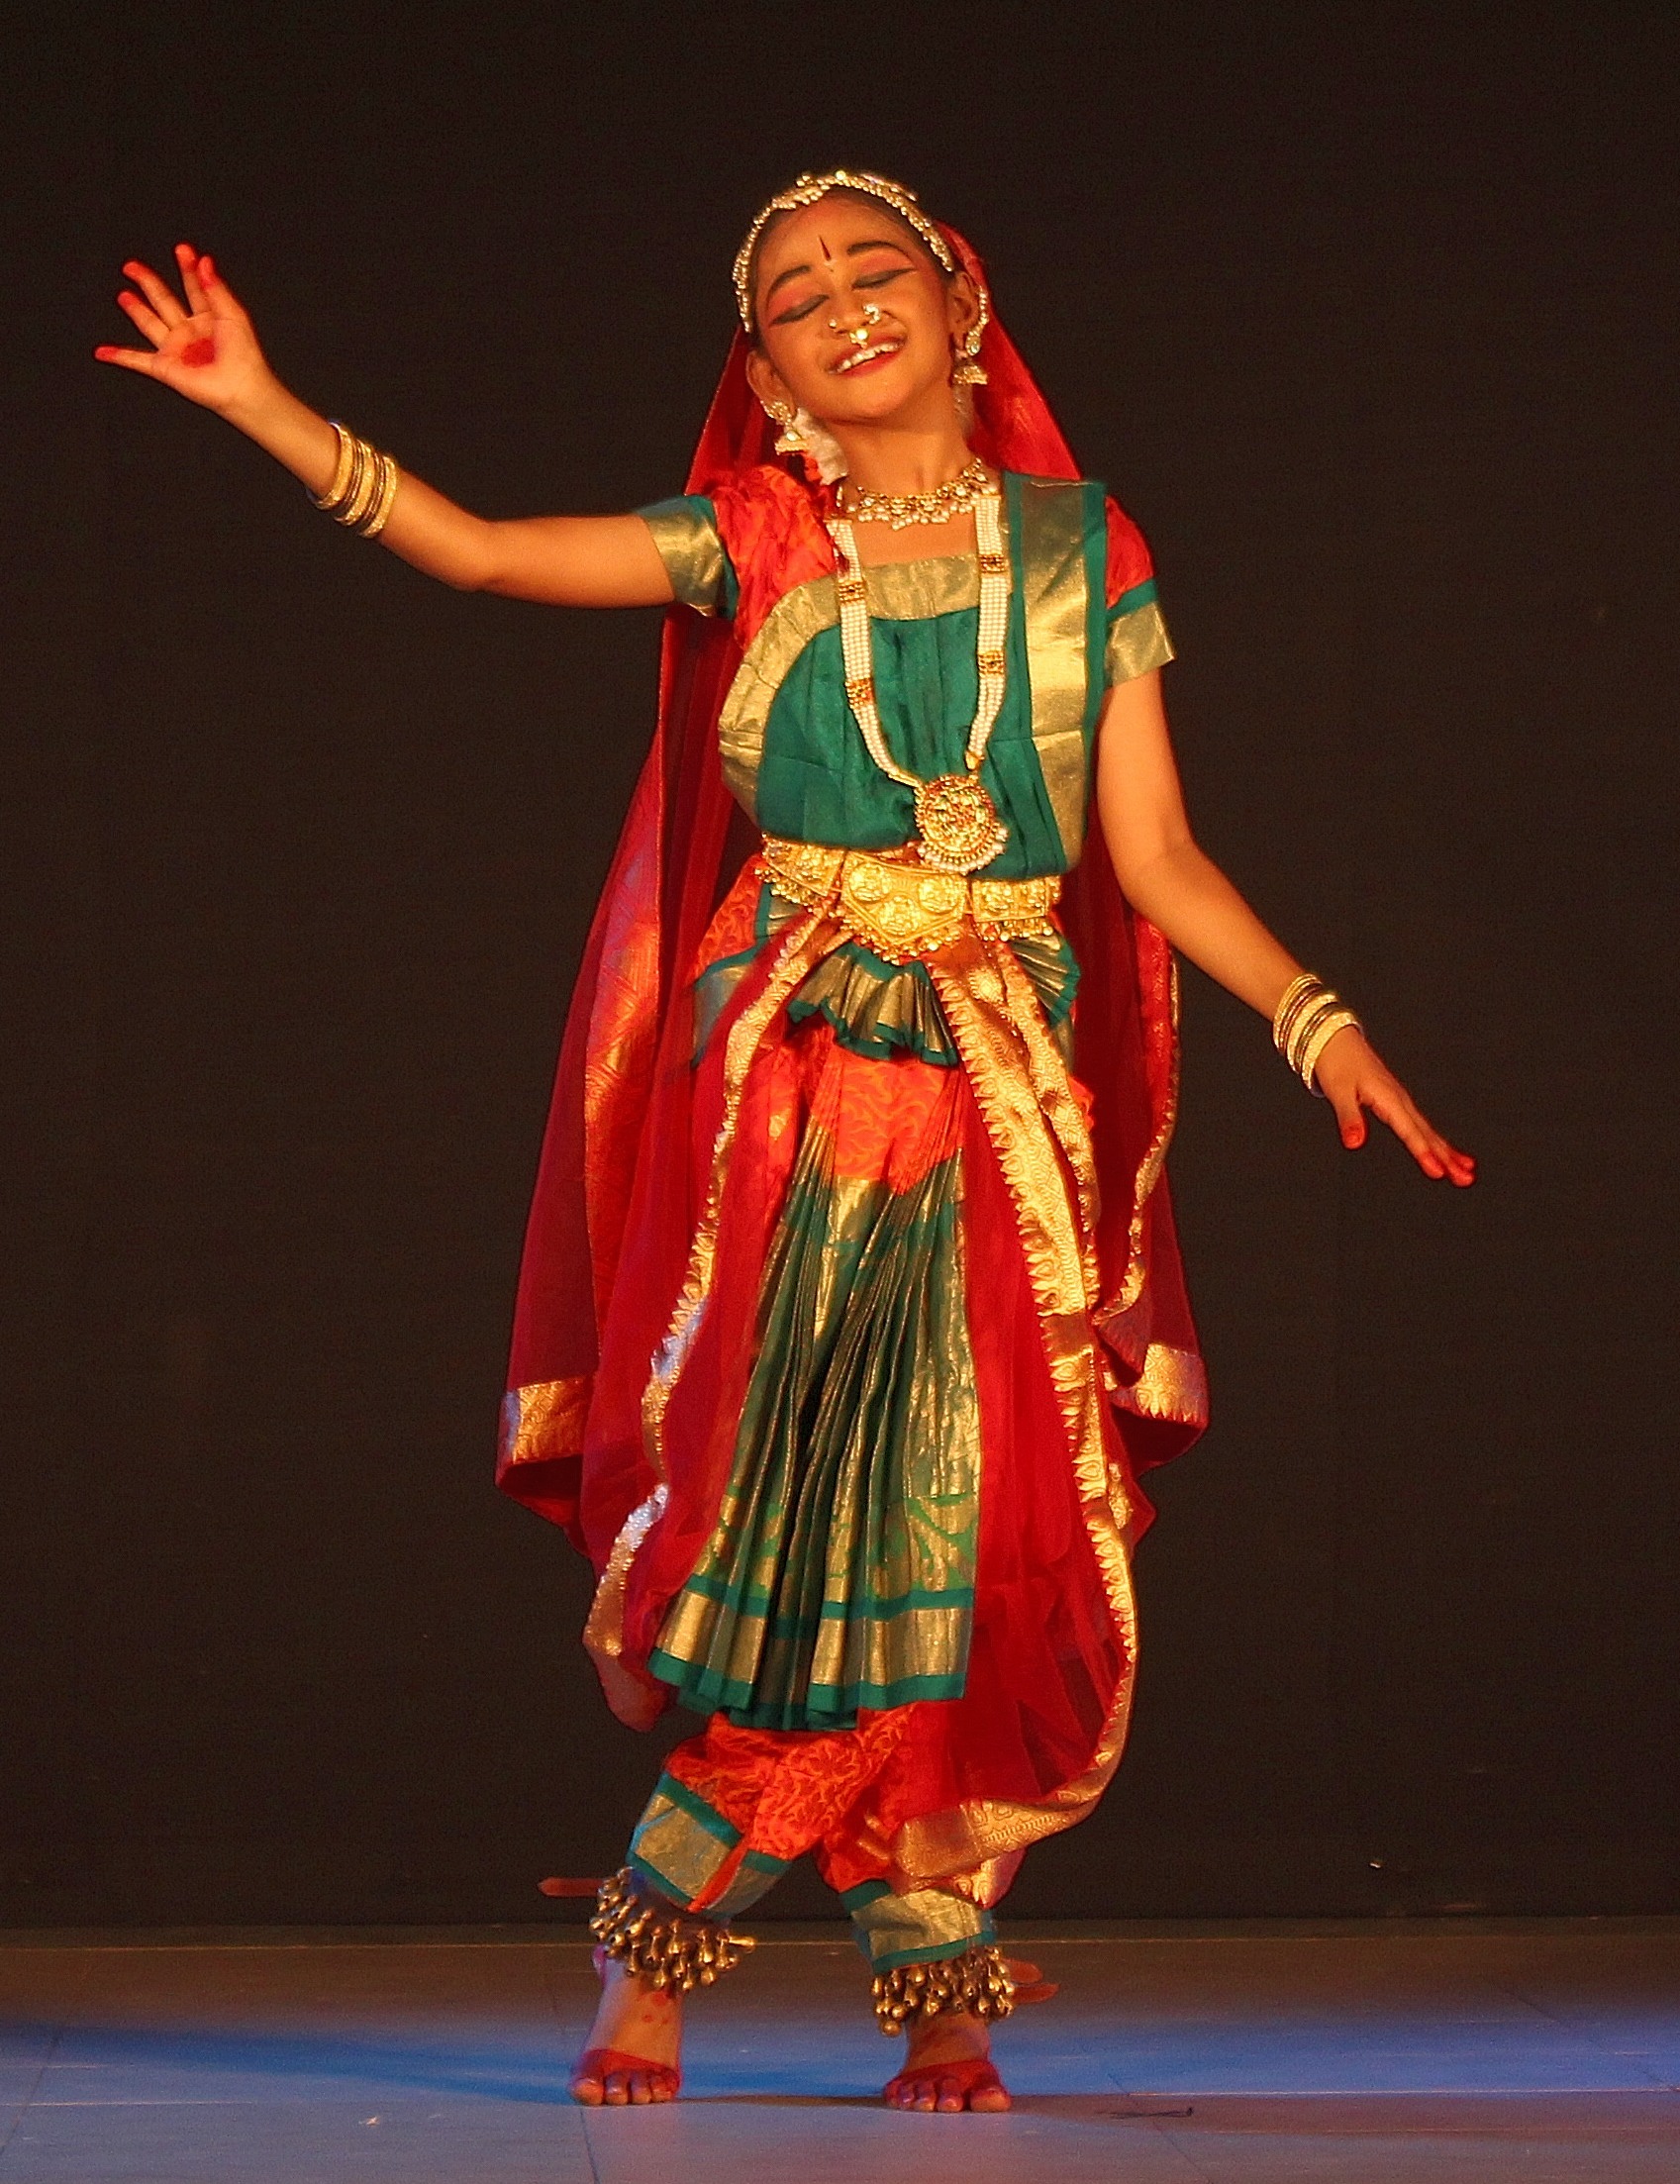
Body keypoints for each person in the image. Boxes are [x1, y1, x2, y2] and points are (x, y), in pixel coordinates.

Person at [98, 168, 1474, 2116]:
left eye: (874, 268)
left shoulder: (1082, 546)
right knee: (793, 1517)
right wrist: (258, 400)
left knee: (969, 1527)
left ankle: (901, 1973)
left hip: (999, 1104)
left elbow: (1154, 855)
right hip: (800, 1098)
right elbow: (480, 552)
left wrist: (1318, 1022)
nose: (844, 304)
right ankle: (713, 1947)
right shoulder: (744, 533)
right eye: (796, 295)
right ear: (763, 371)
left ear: (961, 306)